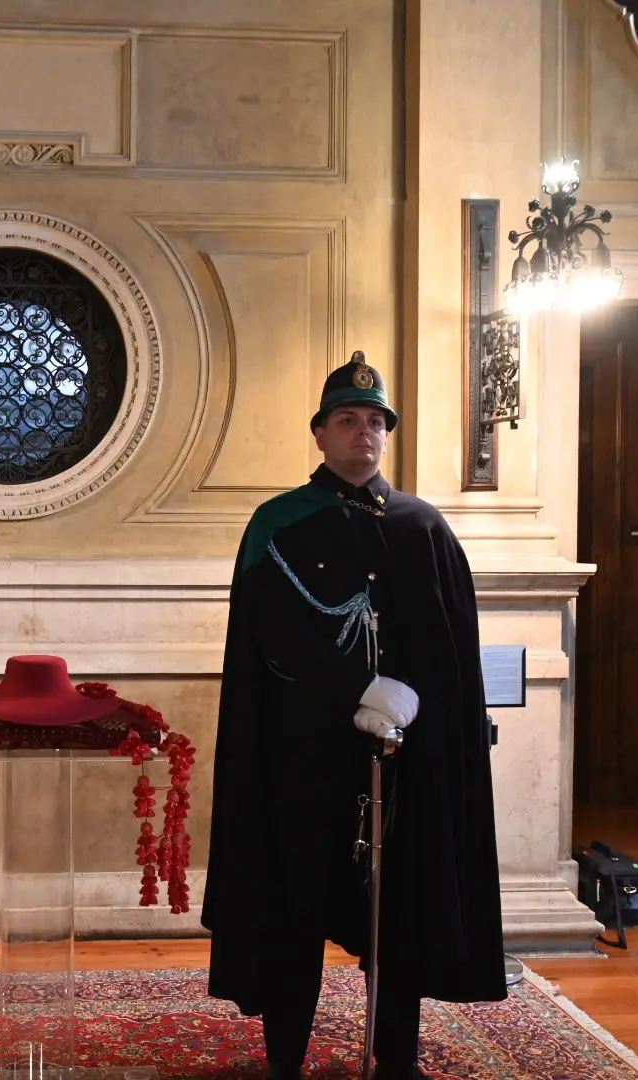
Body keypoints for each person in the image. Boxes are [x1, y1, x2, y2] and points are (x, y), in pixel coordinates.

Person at [202, 352, 506, 1079]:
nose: (363, 433)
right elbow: (271, 637)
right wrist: (356, 690)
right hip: (302, 759)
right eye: (347, 420)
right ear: (320, 433)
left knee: (400, 912)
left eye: (375, 422)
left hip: (403, 762)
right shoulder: (279, 525)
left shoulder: (423, 527)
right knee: (293, 908)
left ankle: (396, 1060)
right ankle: (286, 1062)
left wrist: (409, 698)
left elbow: (447, 646)